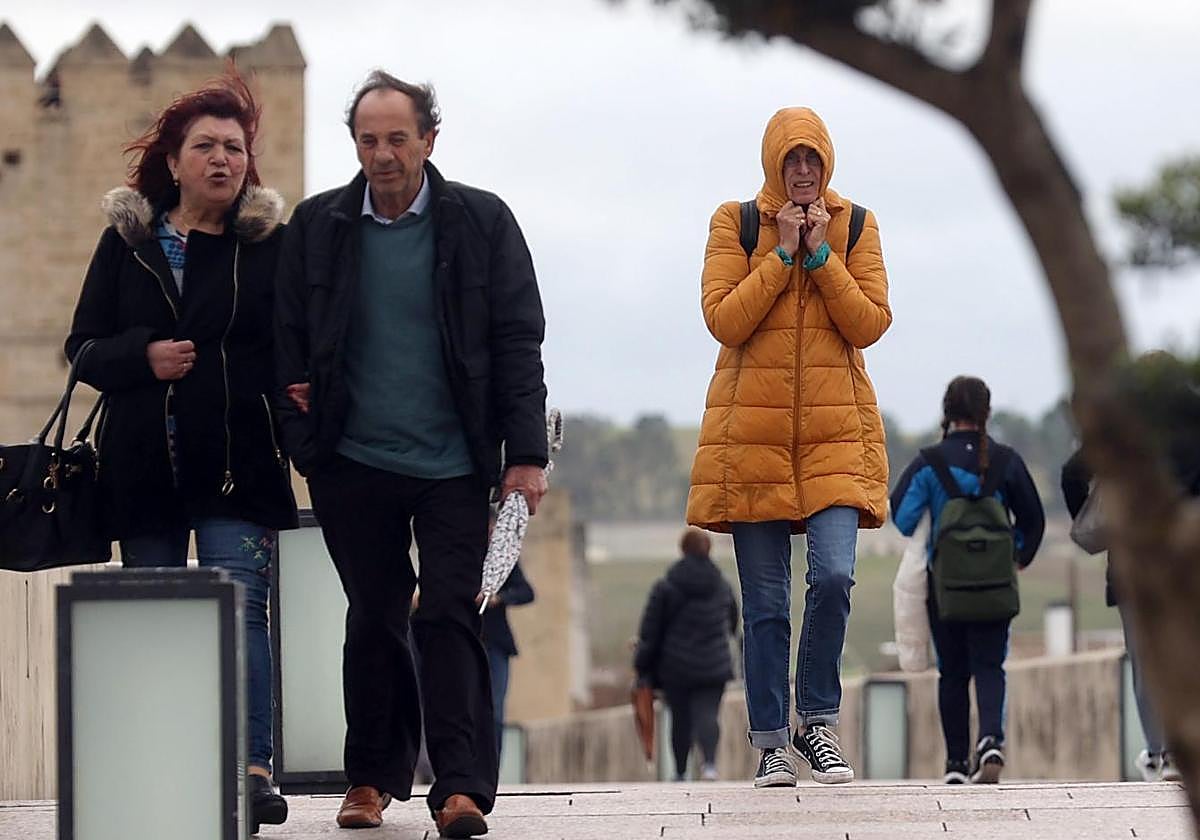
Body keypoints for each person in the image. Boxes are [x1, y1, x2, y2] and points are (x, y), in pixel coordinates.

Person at [273, 71, 548, 838]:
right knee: (373, 617)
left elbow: (517, 344)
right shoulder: (317, 225)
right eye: (369, 140)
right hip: (351, 461)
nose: (383, 154)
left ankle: (460, 787)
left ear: (429, 139)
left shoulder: (483, 222)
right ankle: (370, 779)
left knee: (452, 615)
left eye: (398, 138)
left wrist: (524, 459)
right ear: (354, 144)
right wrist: (306, 442)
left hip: (455, 463)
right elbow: (287, 339)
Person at [64, 73, 298, 833]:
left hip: (236, 460)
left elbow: (287, 349)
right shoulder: (126, 244)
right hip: (143, 469)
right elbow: (83, 349)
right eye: (206, 146)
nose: (223, 159)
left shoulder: (266, 248)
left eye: (235, 147)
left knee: (243, 614)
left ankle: (253, 772)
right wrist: (145, 356)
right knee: (164, 620)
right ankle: (172, 765)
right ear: (174, 159)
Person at [687, 106, 892, 788]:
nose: (802, 170)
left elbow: (868, 323)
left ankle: (819, 723)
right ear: (774, 163)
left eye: (813, 159)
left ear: (826, 163)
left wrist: (823, 255)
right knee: (767, 603)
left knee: (833, 578)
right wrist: (779, 253)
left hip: (836, 438)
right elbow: (725, 318)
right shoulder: (734, 223)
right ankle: (773, 741)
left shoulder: (857, 224)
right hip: (752, 438)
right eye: (791, 159)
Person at [890, 376, 1045, 785]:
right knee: (991, 666)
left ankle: (956, 763)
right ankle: (991, 739)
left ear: (947, 413)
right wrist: (1017, 558)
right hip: (995, 587)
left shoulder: (928, 462)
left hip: (945, 588)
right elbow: (1034, 519)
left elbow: (903, 519)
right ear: (986, 413)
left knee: (953, 672)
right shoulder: (1007, 460)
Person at [633, 529, 737, 782]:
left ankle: (680, 771)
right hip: (714, 664)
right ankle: (710, 765)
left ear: (682, 549)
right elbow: (733, 623)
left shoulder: (666, 586)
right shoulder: (722, 586)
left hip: (676, 666)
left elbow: (650, 631)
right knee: (708, 714)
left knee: (680, 719)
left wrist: (641, 664)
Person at [479, 549, 535, 758]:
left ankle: (492, 765)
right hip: (463, 642)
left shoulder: (500, 558)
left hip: (494, 644)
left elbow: (526, 592)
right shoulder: (457, 552)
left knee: (495, 709)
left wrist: (499, 597)